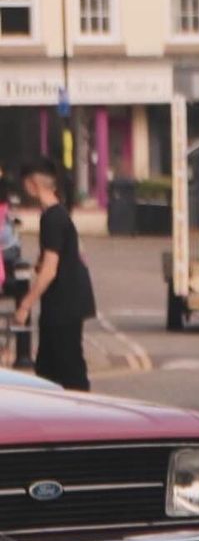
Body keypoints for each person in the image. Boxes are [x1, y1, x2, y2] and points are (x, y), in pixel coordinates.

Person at [15, 158, 95, 390]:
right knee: (47, 370)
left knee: (69, 370)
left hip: (64, 305)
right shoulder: (55, 214)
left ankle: (84, 417)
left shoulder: (53, 217)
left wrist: (25, 305)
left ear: (32, 184)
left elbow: (50, 270)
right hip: (61, 304)